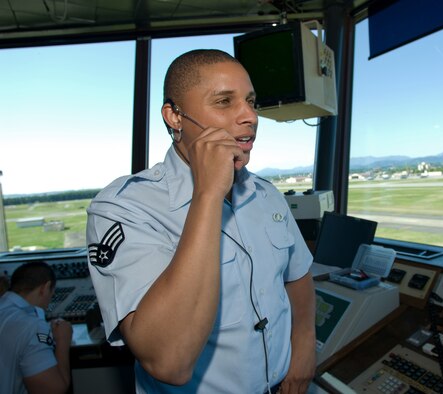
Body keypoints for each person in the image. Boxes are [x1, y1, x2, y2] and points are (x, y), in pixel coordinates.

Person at [86, 49, 316, 393]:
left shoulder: (267, 195)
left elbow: (297, 278)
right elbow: (168, 362)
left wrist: (303, 352)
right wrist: (208, 193)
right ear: (174, 117)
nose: (249, 116)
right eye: (224, 102)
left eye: (251, 102)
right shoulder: (124, 209)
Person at [0, 261, 73, 394]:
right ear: (45, 288)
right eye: (51, 294)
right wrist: (63, 341)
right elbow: (52, 390)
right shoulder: (33, 327)